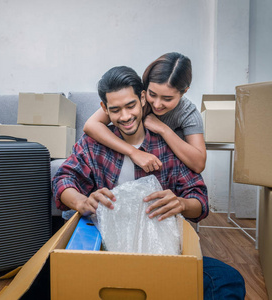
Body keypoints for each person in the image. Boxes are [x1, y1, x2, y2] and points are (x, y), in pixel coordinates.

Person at [52, 66, 245, 299]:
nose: (125, 117)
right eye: (115, 110)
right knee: (47, 279)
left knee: (227, 281)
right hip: (104, 249)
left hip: (157, 251)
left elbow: (200, 199)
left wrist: (181, 204)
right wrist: (82, 201)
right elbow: (64, 178)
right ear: (104, 109)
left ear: (143, 99)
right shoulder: (94, 144)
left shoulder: (165, 146)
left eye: (130, 106)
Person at [84, 52, 206, 173]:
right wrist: (133, 152)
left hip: (167, 171)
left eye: (167, 99)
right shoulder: (135, 100)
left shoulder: (188, 114)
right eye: (152, 94)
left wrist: (163, 129)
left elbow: (199, 164)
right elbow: (91, 125)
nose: (157, 105)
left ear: (184, 91)